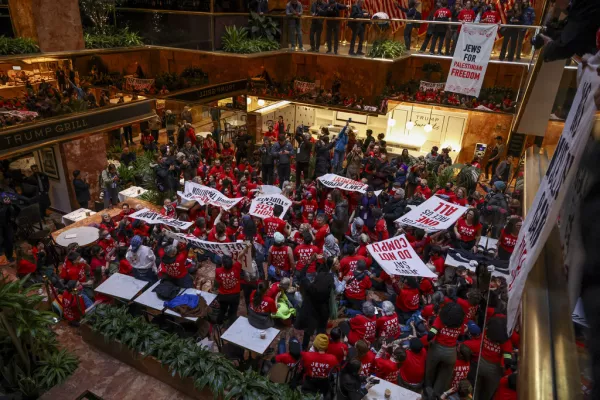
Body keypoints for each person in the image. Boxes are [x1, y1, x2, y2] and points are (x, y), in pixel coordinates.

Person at [424, 302, 465, 395]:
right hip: (451, 353)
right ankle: (437, 394)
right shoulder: (460, 323)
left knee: (430, 370)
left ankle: (427, 390)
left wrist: (429, 340)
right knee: (444, 376)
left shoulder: (440, 320)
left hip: (436, 350)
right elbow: (462, 336)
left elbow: (431, 334)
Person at [295, 256, 334, 350]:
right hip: (322, 314)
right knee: (321, 332)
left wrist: (309, 262)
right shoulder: (326, 291)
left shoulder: (310, 288)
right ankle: (320, 348)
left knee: (307, 333)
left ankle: (304, 348)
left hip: (310, 314)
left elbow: (302, 275)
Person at [475, 317, 514, 400]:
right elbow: (507, 359)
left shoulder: (486, 332)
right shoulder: (506, 341)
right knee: (487, 392)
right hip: (494, 370)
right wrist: (506, 367)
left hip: (480, 363)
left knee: (475, 388)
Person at [214, 255, 242, 327]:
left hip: (223, 296)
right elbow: (240, 257)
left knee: (222, 310)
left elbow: (217, 282)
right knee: (233, 311)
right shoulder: (237, 267)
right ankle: (231, 325)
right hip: (235, 296)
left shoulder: (218, 271)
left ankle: (219, 323)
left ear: (223, 264)